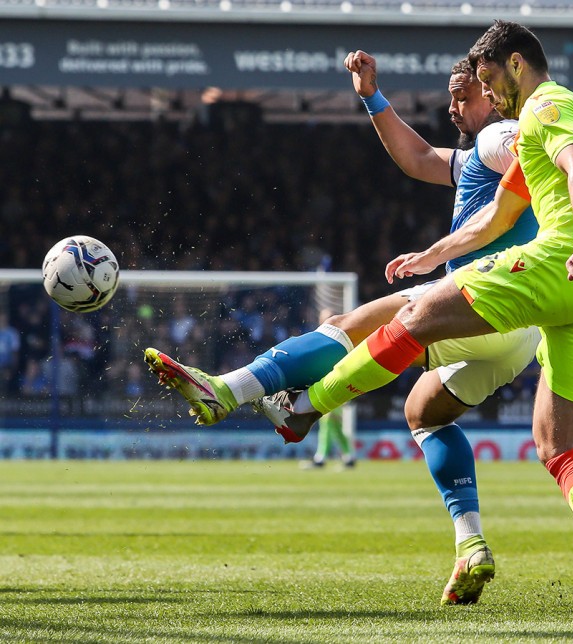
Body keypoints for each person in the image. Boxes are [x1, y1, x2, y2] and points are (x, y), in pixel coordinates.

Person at [262, 20, 573, 612]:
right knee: (554, 443)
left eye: (489, 80)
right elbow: (493, 220)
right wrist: (432, 256)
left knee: (413, 320)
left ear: (516, 64)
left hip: (563, 263)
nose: (489, 95)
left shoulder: (545, 106)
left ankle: (307, 409)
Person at [144, 54, 541, 605]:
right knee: (422, 414)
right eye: (449, 97)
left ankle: (229, 390)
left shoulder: (503, 132)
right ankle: (471, 543)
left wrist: (439, 252)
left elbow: (518, 147)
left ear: (494, 91)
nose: (452, 108)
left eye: (463, 96)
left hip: (482, 293)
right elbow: (419, 157)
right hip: (520, 335)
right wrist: (372, 97)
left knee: (349, 326)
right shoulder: (477, 152)